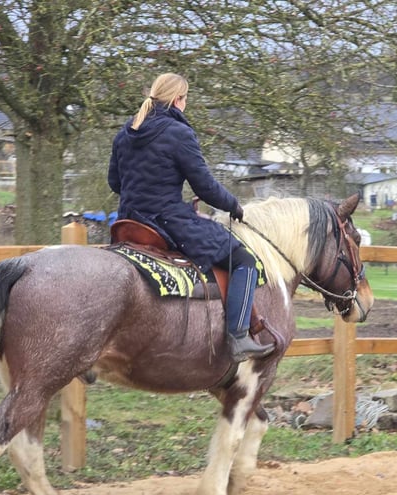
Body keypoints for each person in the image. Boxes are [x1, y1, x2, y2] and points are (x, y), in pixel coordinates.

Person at [107, 72, 274, 363]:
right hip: (166, 222)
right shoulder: (178, 133)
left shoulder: (126, 132)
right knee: (245, 261)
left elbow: (115, 183)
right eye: (185, 100)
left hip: (129, 221)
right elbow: (205, 186)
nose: (186, 105)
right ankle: (238, 336)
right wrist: (233, 205)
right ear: (177, 99)